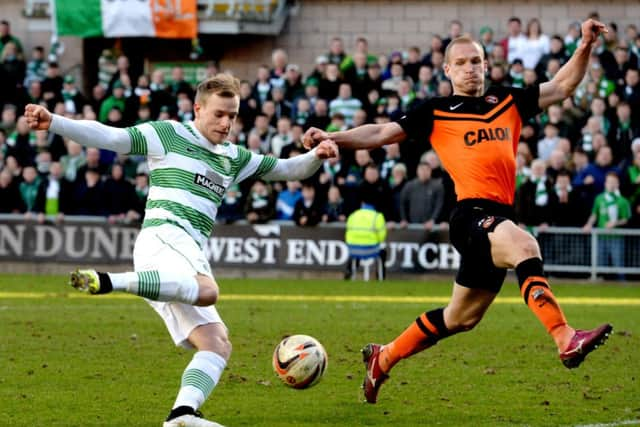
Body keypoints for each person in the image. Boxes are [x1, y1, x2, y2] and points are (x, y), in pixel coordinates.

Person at [303, 19, 613, 404]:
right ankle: (565, 337)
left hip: (499, 215)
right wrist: (332, 137)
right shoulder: (437, 111)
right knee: (525, 248)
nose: (470, 68)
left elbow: (564, 85)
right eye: (462, 63)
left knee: (461, 318)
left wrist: (584, 45)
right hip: (470, 216)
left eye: (476, 61)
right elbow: (381, 133)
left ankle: (383, 358)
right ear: (447, 69)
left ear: (486, 65)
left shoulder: (507, 101)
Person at [24, 73, 338, 427]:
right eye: (219, 114)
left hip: (180, 254)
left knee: (216, 343)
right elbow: (111, 136)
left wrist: (317, 155)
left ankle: (181, 415)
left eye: (232, 116)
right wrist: (55, 122)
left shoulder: (233, 157)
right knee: (208, 291)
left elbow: (285, 169)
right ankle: (111, 281)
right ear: (198, 108)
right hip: (164, 237)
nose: (226, 123)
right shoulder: (169, 134)